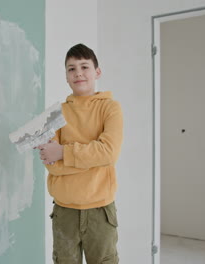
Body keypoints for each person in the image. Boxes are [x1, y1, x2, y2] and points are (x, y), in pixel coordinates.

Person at [37, 43, 123, 264]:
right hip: (64, 212)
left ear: (97, 72)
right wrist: (91, 159)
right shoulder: (56, 114)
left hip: (100, 210)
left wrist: (63, 151)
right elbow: (50, 163)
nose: (78, 73)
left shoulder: (110, 108)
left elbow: (108, 153)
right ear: (66, 76)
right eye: (71, 69)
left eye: (84, 66)